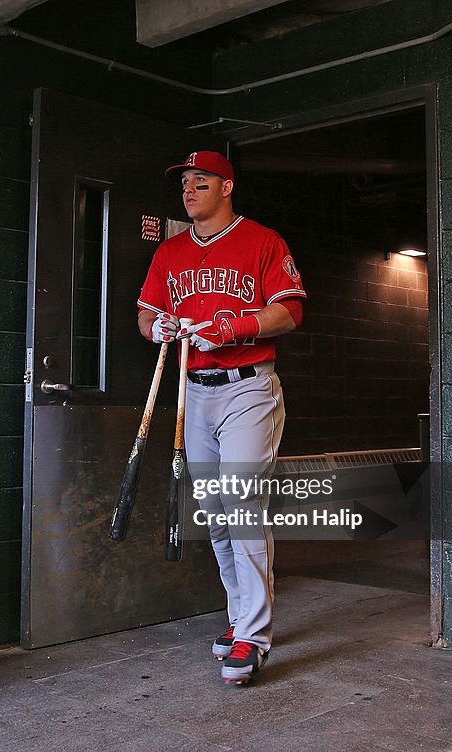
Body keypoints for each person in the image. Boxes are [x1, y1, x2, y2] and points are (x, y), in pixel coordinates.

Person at [136, 150, 306, 684]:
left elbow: (291, 310)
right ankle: (239, 620)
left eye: (200, 181)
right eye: (185, 182)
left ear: (226, 186)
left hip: (247, 388)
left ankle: (254, 636)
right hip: (194, 390)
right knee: (214, 508)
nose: (188, 190)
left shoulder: (262, 240)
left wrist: (237, 329)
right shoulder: (170, 252)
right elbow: (146, 313)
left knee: (243, 501)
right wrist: (156, 328)